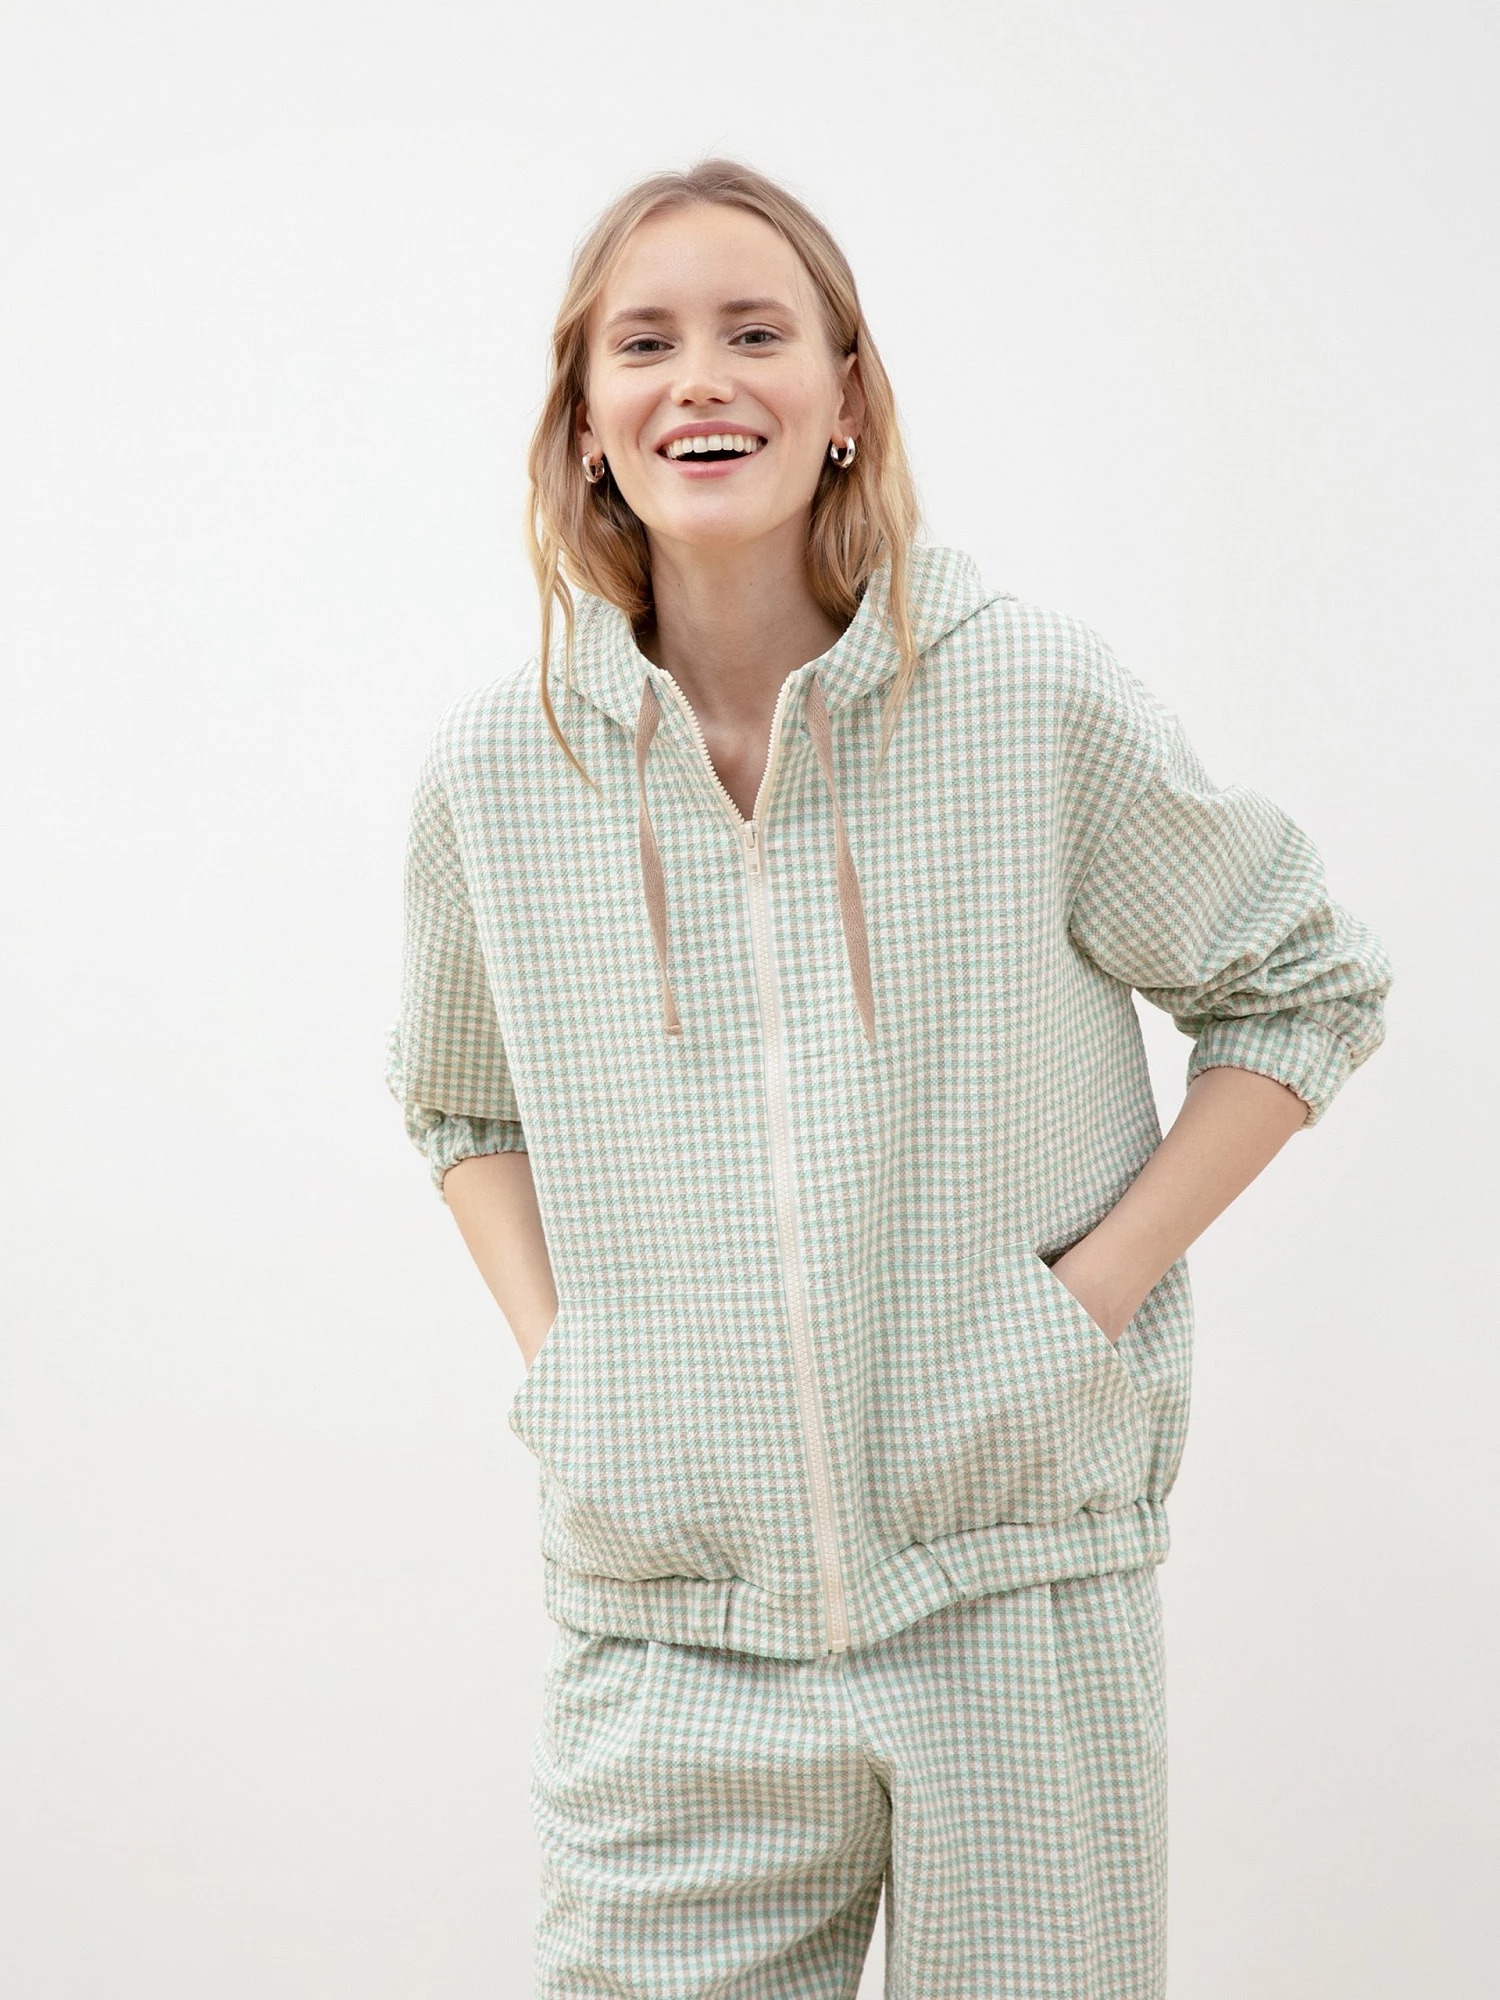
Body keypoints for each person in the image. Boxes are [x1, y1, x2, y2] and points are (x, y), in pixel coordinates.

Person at [385, 156, 1393, 1999]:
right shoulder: (502, 772)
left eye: (757, 332)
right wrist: (574, 1368)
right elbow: (462, 1104)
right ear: (585, 421)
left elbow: (1301, 988)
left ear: (845, 394)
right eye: (645, 344)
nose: (703, 378)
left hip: (1013, 1594)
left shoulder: (1028, 698)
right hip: (674, 1625)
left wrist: (1078, 1307)